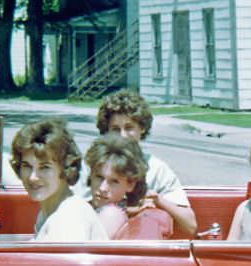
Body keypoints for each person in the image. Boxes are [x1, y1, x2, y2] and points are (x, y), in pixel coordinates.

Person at [77, 89, 198, 236]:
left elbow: (190, 226)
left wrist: (158, 201)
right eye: (115, 129)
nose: (123, 135)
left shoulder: (157, 169)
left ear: (142, 128)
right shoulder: (93, 165)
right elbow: (77, 210)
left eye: (129, 128)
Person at [10, 118, 107, 242]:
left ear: (65, 168)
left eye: (44, 167)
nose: (33, 177)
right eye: (26, 166)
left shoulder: (69, 218)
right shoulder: (50, 210)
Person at [84, 133, 148, 238]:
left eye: (114, 181)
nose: (102, 188)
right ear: (91, 174)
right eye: (99, 177)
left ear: (130, 185)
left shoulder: (111, 214)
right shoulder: (91, 207)